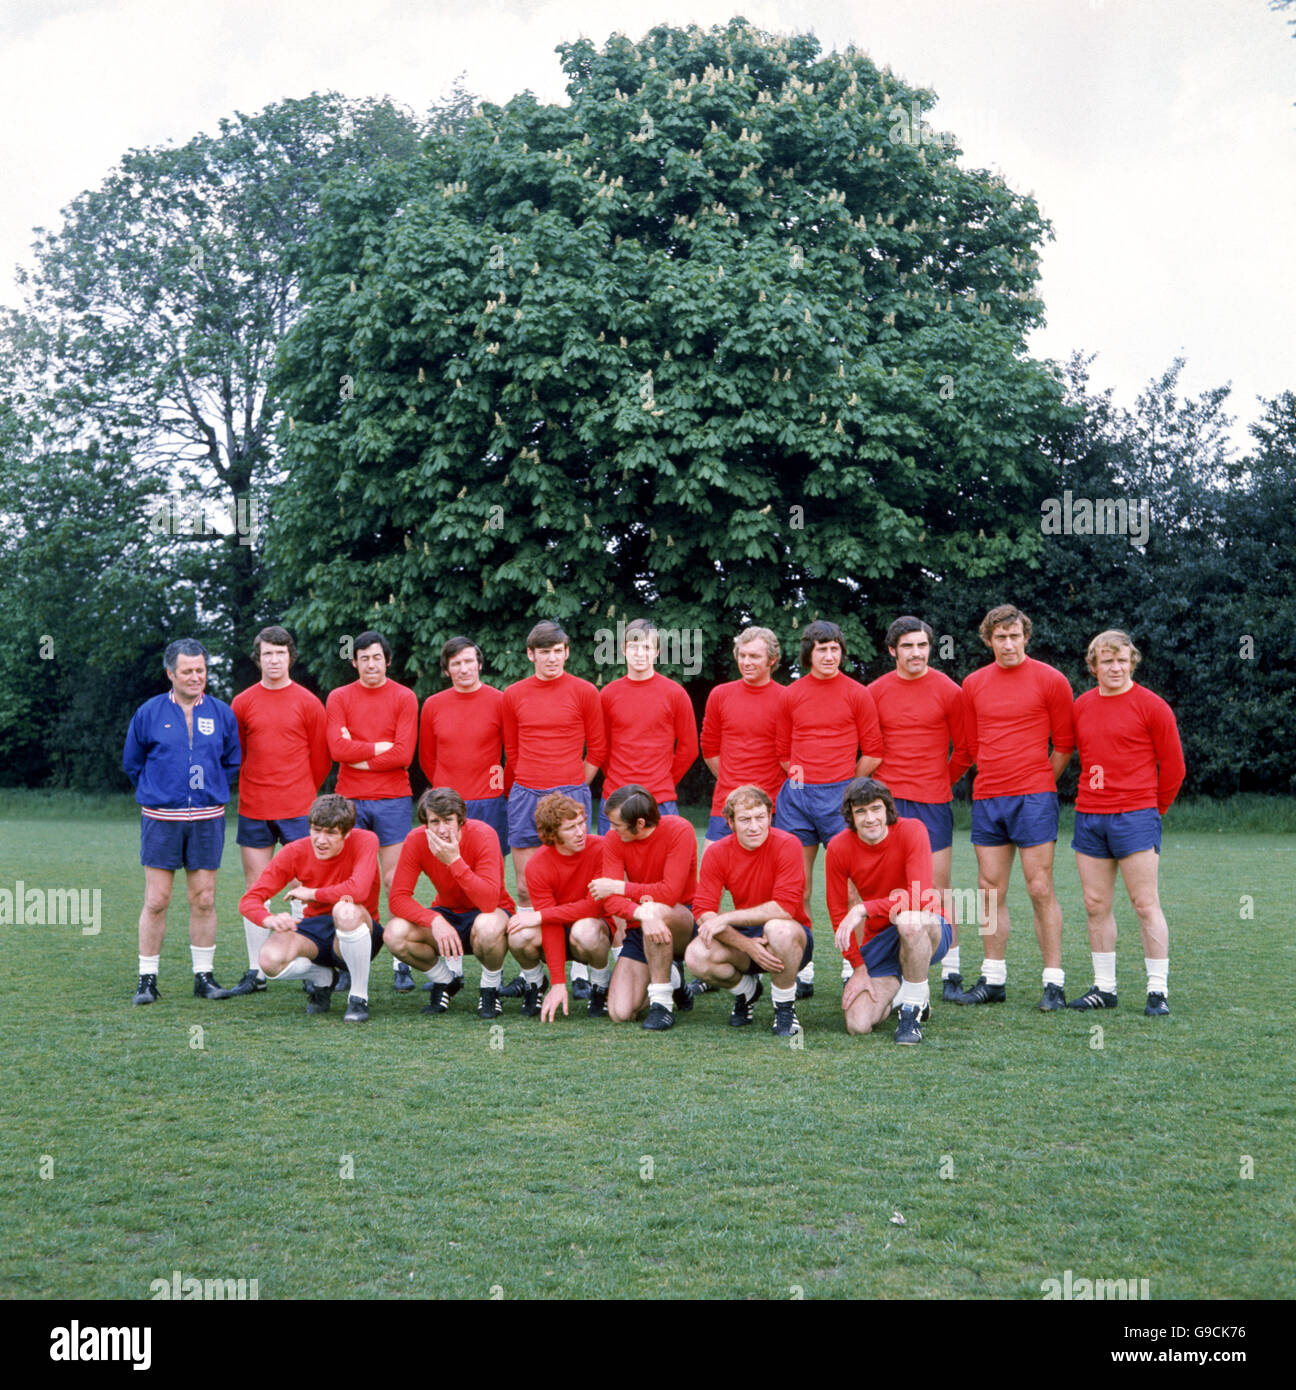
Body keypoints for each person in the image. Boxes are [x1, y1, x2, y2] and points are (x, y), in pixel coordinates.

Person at [957, 604, 1075, 1010]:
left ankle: (1053, 983)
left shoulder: (1051, 680)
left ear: (1026, 637)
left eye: (1015, 636)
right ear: (988, 640)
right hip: (989, 797)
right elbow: (971, 747)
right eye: (1000, 637)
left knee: (1040, 887)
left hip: (1034, 798)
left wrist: (1039, 782)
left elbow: (1063, 745)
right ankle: (993, 978)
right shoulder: (972, 683)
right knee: (989, 890)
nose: (1008, 644)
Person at [1068, 630, 1185, 1017]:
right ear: (1093, 666)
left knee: (1144, 902)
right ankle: (1104, 988)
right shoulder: (1081, 706)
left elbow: (1173, 769)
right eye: (1106, 661)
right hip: (1089, 816)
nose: (1114, 667)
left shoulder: (1153, 706)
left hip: (1135, 816)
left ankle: (1157, 991)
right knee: (1095, 903)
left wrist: (1152, 810)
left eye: (1121, 660)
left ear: (1131, 662)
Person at [581, 618, 696, 999]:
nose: (640, 653)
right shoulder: (609, 693)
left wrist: (661, 781)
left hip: (661, 798)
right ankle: (621, 956)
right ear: (623, 651)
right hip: (614, 798)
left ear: (657, 652)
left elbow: (689, 749)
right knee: (612, 881)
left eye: (647, 647)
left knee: (671, 886)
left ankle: (671, 958)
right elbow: (601, 746)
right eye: (633, 647)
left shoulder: (675, 693)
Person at [122, 638, 241, 1004]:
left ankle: (203, 977)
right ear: (170, 673)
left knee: (203, 899)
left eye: (200, 670)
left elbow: (231, 762)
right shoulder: (149, 713)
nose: (195, 677)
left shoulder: (221, 713)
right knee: (157, 899)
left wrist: (206, 791)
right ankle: (147, 980)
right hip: (162, 819)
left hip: (207, 819)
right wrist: (163, 792)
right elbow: (133, 763)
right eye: (187, 671)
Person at [867, 616, 972, 1000]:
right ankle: (870, 967)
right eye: (907, 646)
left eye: (922, 645)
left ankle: (952, 973)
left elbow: (965, 749)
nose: (916, 653)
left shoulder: (949, 690)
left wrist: (940, 780)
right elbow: (867, 747)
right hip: (887, 803)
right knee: (887, 887)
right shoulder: (875, 691)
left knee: (937, 889)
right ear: (893, 650)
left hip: (932, 801)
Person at [775, 620, 883, 990]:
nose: (829, 655)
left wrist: (845, 785)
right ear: (809, 653)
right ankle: (801, 966)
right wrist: (805, 780)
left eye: (835, 648)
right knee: (796, 886)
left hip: (842, 798)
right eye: (822, 648)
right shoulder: (791, 694)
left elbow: (873, 751)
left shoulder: (857, 693)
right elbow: (782, 753)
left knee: (852, 887)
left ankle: (853, 962)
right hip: (798, 801)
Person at [229, 625, 332, 997]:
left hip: (297, 808)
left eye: (281, 653)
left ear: (291, 656)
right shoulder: (242, 702)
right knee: (257, 889)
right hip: (255, 807)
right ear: (259, 658)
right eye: (268, 653)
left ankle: (310, 966)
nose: (274, 660)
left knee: (303, 889)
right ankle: (257, 969)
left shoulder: (308, 702)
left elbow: (321, 759)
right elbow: (236, 754)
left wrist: (303, 792)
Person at [698, 626, 797, 991]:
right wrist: (735, 794)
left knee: (786, 893)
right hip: (724, 806)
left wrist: (758, 800)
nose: (746, 662)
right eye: (742, 655)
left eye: (755, 656)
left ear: (772, 659)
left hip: (773, 808)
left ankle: (795, 967)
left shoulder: (787, 697)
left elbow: (789, 753)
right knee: (707, 888)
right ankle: (711, 958)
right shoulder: (720, 695)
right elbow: (709, 748)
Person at [417, 635, 510, 1003]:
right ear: (447, 669)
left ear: (479, 663)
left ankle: (492, 966)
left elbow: (512, 750)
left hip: (489, 801)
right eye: (455, 663)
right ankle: (452, 970)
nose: (463, 668)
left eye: (469, 661)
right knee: (447, 877)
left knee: (486, 880)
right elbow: (427, 756)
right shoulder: (434, 704)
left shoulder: (500, 700)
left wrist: (499, 785)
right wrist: (444, 795)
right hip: (446, 804)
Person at [325, 630, 418, 992]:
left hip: (393, 798)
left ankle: (401, 961)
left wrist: (358, 751)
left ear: (387, 660)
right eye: (364, 658)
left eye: (377, 657)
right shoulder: (339, 697)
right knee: (350, 884)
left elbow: (404, 756)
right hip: (349, 799)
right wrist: (380, 749)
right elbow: (336, 750)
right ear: (355, 662)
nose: (371, 664)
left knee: (396, 880)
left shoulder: (404, 697)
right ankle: (348, 959)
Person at [827, 778, 952, 1045]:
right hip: (882, 938)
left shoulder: (912, 830)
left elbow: (918, 897)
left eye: (875, 808)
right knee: (858, 1024)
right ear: (851, 815)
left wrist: (865, 908)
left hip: (928, 927)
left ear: (887, 809)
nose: (869, 818)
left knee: (908, 921)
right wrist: (858, 968)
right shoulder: (838, 847)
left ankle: (912, 1010)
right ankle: (909, 989)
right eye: (860, 811)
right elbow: (839, 915)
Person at [237, 793, 382, 1022]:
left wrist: (313, 894)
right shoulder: (294, 851)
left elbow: (358, 891)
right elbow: (249, 899)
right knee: (269, 960)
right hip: (316, 930)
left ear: (346, 833)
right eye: (316, 829)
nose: (321, 840)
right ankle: (323, 977)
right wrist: (270, 920)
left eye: (331, 832)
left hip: (360, 927)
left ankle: (358, 997)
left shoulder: (366, 840)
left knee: (343, 910)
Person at [684, 785, 810, 1037]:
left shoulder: (788, 844)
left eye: (760, 817)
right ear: (730, 823)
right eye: (744, 819)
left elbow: (784, 908)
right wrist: (746, 944)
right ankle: (747, 991)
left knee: (778, 928)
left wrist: (727, 917)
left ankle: (785, 1008)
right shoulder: (718, 852)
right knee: (695, 955)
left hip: (790, 937)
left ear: (769, 816)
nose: (754, 826)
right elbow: (702, 910)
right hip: (746, 938)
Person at [383, 788, 517, 1019]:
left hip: (491, 912)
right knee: (394, 933)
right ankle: (445, 981)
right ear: (425, 822)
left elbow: (487, 901)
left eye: (448, 820)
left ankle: (490, 988)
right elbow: (397, 899)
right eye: (434, 822)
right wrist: (434, 919)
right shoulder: (416, 839)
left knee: (487, 925)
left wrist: (454, 861)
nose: (442, 829)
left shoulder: (484, 834)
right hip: (447, 912)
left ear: (461, 820)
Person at [501, 621, 606, 911]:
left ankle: (581, 955)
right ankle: (531, 952)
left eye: (558, 651)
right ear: (530, 654)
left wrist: (575, 783)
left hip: (571, 793)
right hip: (526, 796)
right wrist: (527, 780)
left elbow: (598, 749)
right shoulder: (513, 694)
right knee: (525, 888)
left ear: (567, 652)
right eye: (545, 651)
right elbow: (511, 748)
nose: (552, 658)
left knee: (575, 886)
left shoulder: (585, 691)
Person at [592, 784, 698, 1031]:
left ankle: (662, 1005)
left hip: (683, 920)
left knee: (655, 909)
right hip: (643, 922)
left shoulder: (679, 829)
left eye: (616, 825)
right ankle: (674, 979)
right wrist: (639, 912)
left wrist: (621, 887)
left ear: (639, 824)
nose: (611, 830)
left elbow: (670, 893)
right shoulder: (613, 839)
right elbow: (609, 899)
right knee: (620, 1012)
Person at [505, 793, 615, 1022]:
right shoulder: (537, 865)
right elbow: (551, 925)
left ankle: (601, 987)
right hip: (558, 927)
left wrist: (542, 915)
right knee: (518, 935)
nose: (580, 831)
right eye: (570, 828)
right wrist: (558, 983)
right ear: (553, 834)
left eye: (581, 822)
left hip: (593, 927)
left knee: (585, 930)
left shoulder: (602, 848)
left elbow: (593, 908)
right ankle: (535, 984)